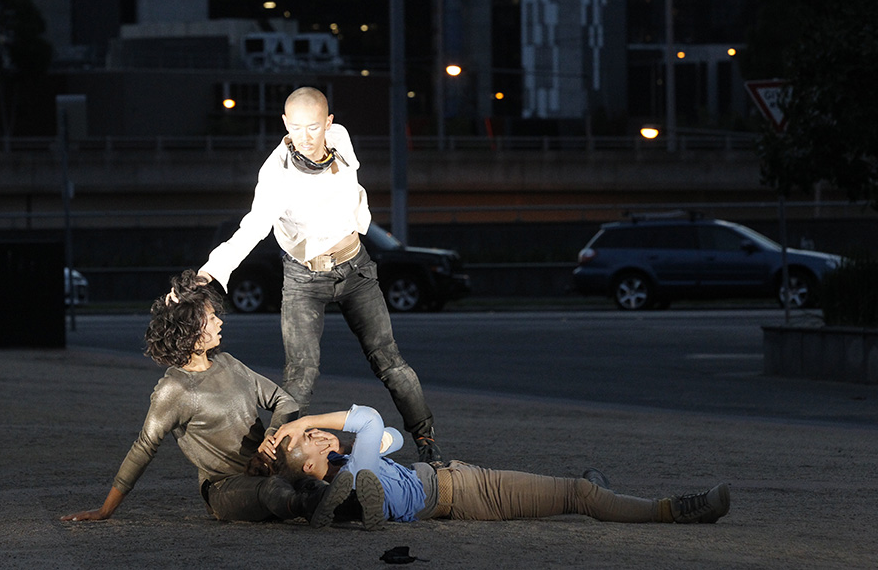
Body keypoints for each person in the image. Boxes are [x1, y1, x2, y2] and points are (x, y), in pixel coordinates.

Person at [194, 86, 442, 464]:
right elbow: (253, 227)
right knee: (301, 373)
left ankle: (426, 439)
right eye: (295, 128)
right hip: (303, 279)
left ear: (329, 123)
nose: (305, 138)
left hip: (356, 268)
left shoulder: (340, 139)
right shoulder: (276, 174)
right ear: (284, 124)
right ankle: (277, 459)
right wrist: (211, 270)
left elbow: (351, 179)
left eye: (313, 128)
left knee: (388, 360)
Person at [61, 270, 353, 527]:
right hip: (226, 489)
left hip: (270, 469)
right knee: (275, 489)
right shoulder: (174, 389)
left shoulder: (229, 363)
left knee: (312, 475)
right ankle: (314, 505)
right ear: (192, 332)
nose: (219, 322)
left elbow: (284, 401)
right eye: (211, 318)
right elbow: (143, 448)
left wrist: (272, 435)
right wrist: (105, 510)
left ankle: (357, 506)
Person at [263, 405, 732, 527]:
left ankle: (597, 487)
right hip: (466, 489)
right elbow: (370, 418)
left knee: (583, 489)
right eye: (309, 439)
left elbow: (392, 437)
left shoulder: (355, 459)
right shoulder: (355, 469)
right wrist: (303, 420)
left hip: (447, 487)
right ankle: (677, 509)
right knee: (580, 495)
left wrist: (328, 441)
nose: (316, 432)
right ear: (309, 467)